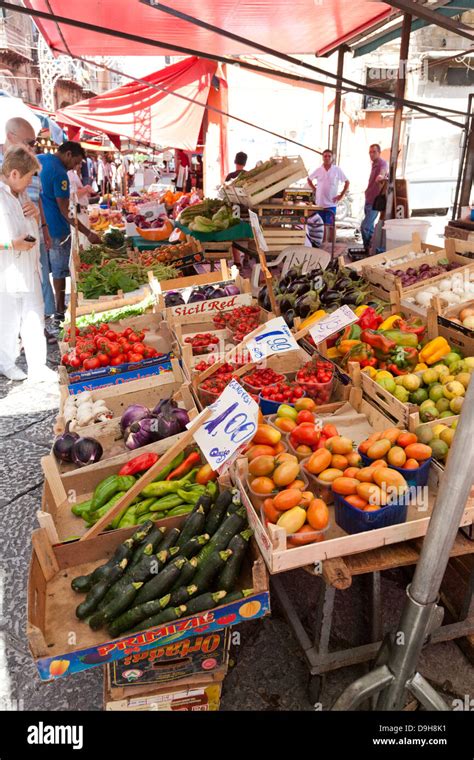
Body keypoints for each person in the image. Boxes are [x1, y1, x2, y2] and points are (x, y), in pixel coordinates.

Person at [0, 146, 57, 383]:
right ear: (14, 174)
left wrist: (34, 214)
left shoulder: (20, 194)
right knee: (9, 320)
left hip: (30, 267)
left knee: (34, 314)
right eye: (27, 177)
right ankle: (6, 363)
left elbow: (28, 223)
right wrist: (12, 244)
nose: (30, 182)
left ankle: (38, 366)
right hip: (8, 270)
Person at [38, 141, 100, 326]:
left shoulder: (40, 159)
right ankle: (59, 311)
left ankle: (47, 312)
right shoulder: (60, 173)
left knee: (43, 272)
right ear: (68, 154)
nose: (76, 166)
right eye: (76, 161)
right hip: (57, 228)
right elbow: (65, 211)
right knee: (60, 271)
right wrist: (88, 233)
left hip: (41, 226)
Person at [307, 149, 349, 239]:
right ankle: (323, 244)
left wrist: (341, 195)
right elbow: (309, 179)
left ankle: (331, 245)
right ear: (322, 157)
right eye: (325, 156)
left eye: (329, 156)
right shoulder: (319, 169)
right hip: (320, 203)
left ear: (332, 158)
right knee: (321, 225)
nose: (327, 158)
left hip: (331, 203)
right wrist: (314, 189)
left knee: (331, 226)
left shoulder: (337, 169)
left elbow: (347, 182)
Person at [361, 143, 388, 253]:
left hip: (375, 202)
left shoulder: (382, 163)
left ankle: (367, 247)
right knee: (370, 228)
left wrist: (380, 177)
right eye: (370, 152)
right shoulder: (374, 164)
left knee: (365, 227)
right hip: (368, 199)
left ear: (379, 152)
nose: (371, 154)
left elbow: (382, 174)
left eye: (374, 152)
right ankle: (371, 249)